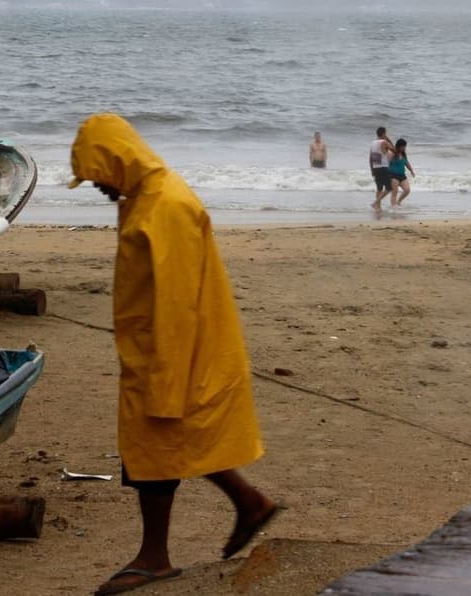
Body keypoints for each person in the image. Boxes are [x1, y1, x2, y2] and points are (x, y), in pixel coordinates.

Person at [67, 113, 278, 596]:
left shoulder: (165, 206)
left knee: (156, 449)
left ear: (116, 160)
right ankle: (249, 504)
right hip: (154, 348)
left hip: (175, 350)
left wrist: (166, 373)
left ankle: (154, 557)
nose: (98, 188)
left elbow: (178, 302)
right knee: (168, 443)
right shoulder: (146, 198)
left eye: (97, 176)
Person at [369, 127, 395, 211]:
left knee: (379, 188)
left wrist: (372, 170)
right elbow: (394, 150)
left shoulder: (373, 143)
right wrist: (389, 140)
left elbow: (371, 158)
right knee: (389, 188)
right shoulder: (384, 142)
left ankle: (378, 208)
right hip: (383, 168)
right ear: (384, 134)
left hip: (376, 168)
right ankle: (375, 203)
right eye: (385, 134)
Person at [388, 138, 416, 207]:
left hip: (402, 176)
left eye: (405, 146)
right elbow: (387, 163)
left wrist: (411, 170)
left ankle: (398, 202)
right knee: (395, 192)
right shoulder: (393, 154)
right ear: (399, 146)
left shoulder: (403, 155)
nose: (404, 148)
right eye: (403, 146)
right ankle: (393, 207)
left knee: (407, 190)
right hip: (393, 175)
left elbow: (407, 163)